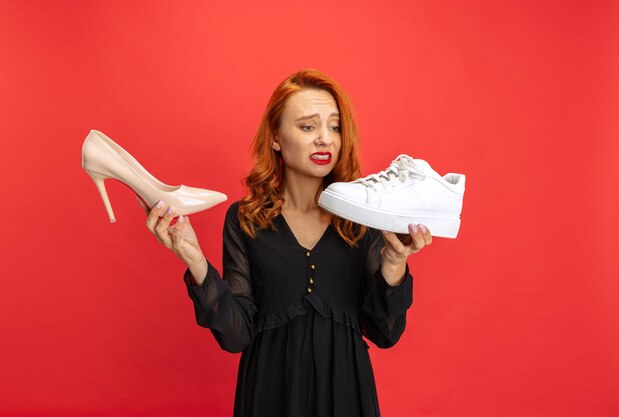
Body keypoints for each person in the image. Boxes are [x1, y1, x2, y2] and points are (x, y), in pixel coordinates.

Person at [140, 69, 432, 417]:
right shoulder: (245, 219)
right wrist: (194, 259)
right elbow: (235, 337)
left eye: (334, 126)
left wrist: (395, 263)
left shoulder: (364, 217)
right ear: (276, 137)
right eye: (308, 127)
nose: (325, 139)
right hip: (268, 394)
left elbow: (385, 334)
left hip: (346, 397)